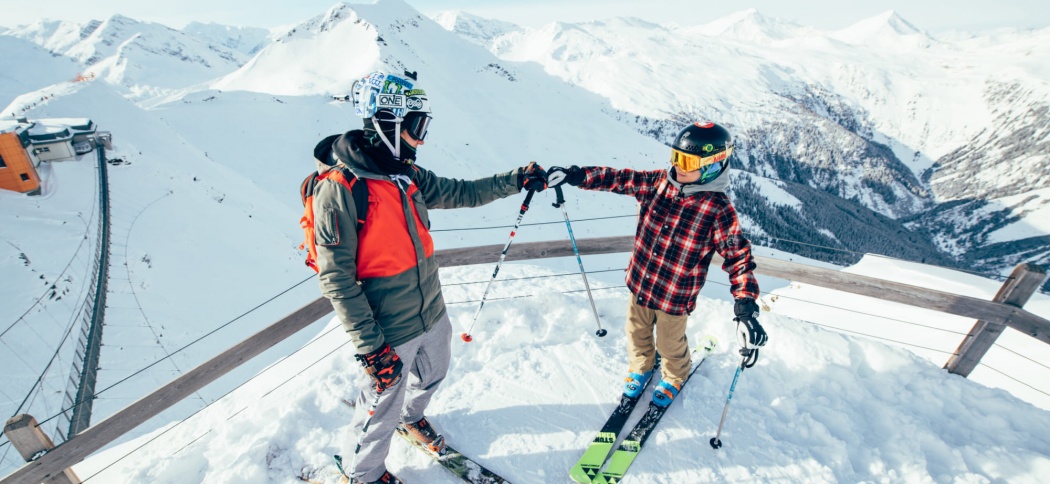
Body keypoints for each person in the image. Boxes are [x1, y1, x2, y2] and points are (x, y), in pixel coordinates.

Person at [311, 70, 548, 484]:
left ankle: (411, 418)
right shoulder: (342, 189)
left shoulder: (406, 176)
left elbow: (462, 192)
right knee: (380, 404)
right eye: (416, 128)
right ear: (386, 124)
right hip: (389, 324)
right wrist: (371, 348)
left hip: (430, 307)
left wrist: (515, 180)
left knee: (434, 372)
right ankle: (361, 474)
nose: (421, 139)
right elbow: (336, 279)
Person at [546, 121, 768, 407]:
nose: (678, 166)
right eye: (676, 157)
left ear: (713, 165)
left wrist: (746, 305)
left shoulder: (717, 209)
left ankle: (675, 375)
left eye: (687, 161)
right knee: (636, 334)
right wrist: (577, 176)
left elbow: (738, 257)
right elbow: (619, 178)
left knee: (669, 343)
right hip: (640, 282)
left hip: (675, 296)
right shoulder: (658, 182)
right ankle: (641, 367)